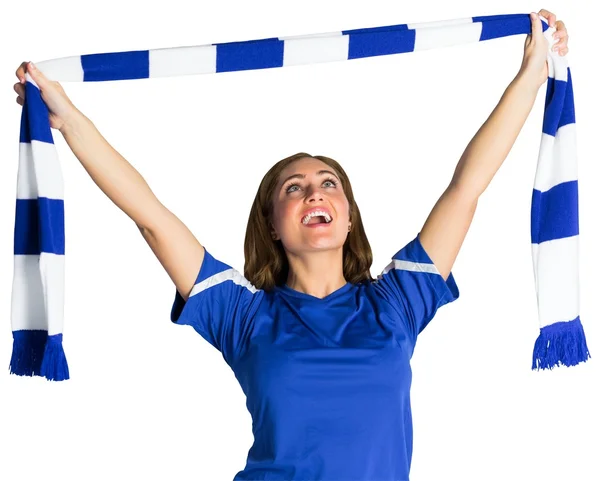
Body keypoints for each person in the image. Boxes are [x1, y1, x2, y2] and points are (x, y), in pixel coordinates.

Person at [13, 9, 569, 481]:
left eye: (329, 183)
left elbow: (466, 189)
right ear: (273, 224)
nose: (314, 192)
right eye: (294, 188)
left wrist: (530, 74)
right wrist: (67, 118)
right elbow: (151, 217)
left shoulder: (397, 303)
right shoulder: (243, 314)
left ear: (348, 217)